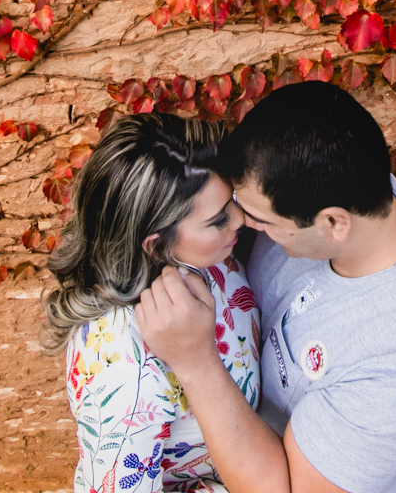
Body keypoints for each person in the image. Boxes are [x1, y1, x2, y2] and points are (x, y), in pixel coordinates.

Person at [135, 81, 396, 493]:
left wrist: (193, 362)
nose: (242, 222)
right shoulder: (346, 177)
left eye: (264, 222)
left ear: (333, 223)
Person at [43, 113, 262, 492]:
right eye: (217, 219)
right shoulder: (123, 371)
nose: (240, 219)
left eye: (233, 202)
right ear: (156, 245)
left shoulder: (201, 257)